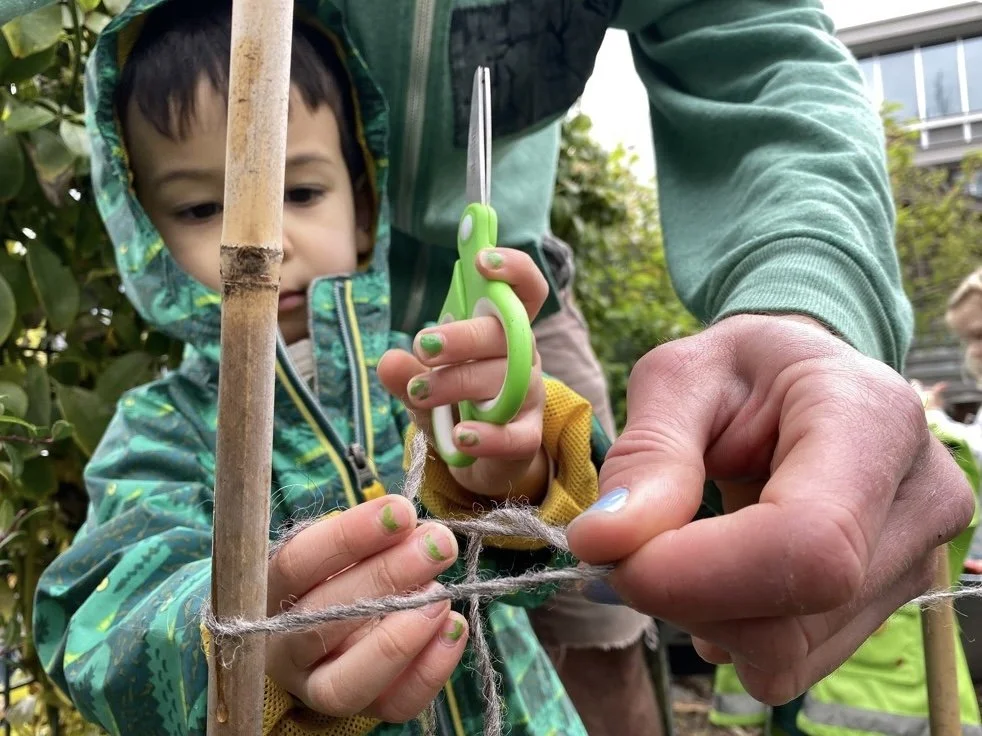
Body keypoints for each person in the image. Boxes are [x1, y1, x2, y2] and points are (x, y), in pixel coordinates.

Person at [32, 1, 611, 733]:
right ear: (144, 238)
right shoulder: (159, 430)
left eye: (302, 192)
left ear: (363, 207)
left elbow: (530, 571)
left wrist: (512, 476)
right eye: (204, 207)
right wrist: (241, 647)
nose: (266, 239)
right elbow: (94, 613)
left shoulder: (424, 368)